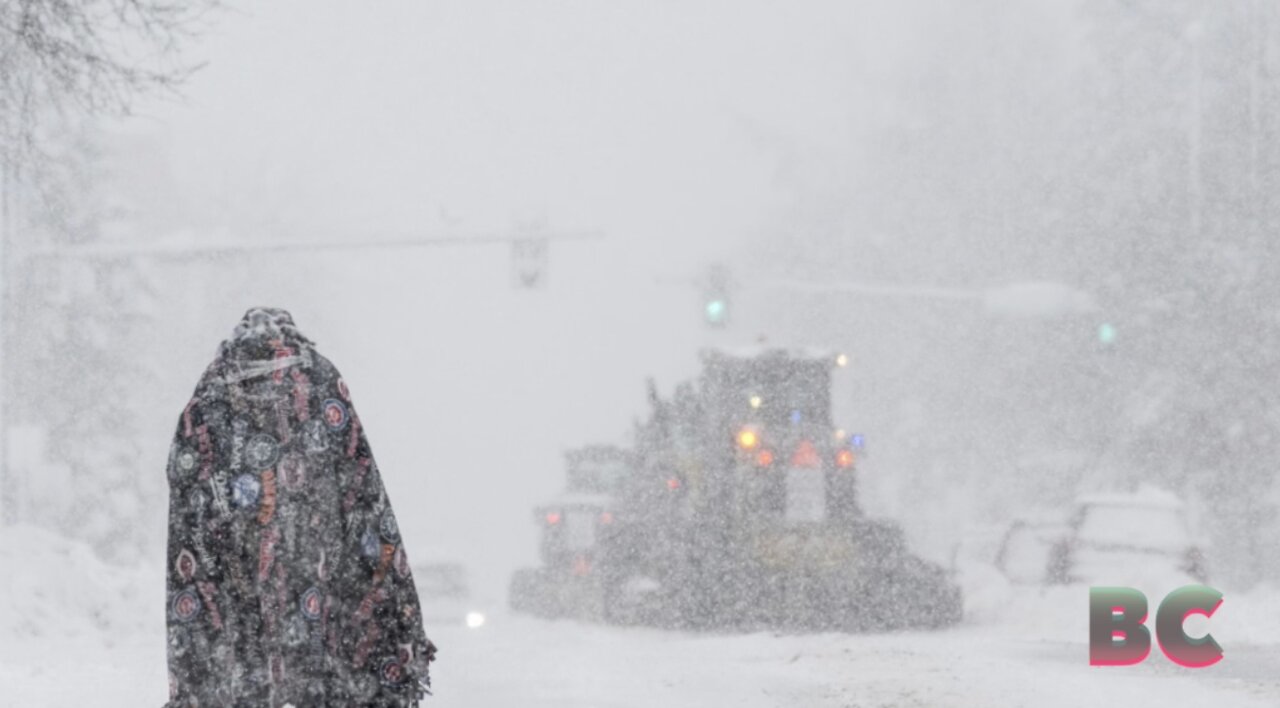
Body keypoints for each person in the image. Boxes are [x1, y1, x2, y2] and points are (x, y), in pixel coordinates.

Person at [164, 308, 436, 707]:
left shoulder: (208, 393)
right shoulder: (321, 379)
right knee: (322, 667)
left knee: (243, 673)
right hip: (315, 559)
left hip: (231, 573)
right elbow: (360, 479)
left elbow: (185, 484)